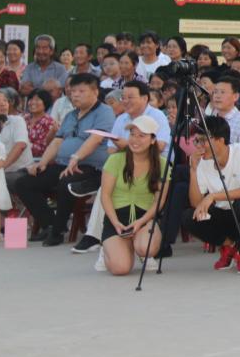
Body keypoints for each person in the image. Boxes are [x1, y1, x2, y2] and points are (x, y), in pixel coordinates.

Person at [73, 79, 172, 255]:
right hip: (125, 164)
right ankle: (95, 235)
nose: (125, 101)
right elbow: (111, 149)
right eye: (123, 97)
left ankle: (138, 233)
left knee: (108, 186)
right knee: (106, 187)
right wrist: (130, 147)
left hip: (154, 166)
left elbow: (160, 146)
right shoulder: (121, 119)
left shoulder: (157, 116)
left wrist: (128, 144)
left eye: (130, 97)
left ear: (145, 98)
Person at [16, 73, 115, 245]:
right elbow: (57, 141)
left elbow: (95, 139)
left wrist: (75, 158)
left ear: (95, 92)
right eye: (73, 91)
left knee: (66, 182)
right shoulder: (71, 115)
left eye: (81, 91)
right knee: (24, 183)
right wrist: (42, 163)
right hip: (64, 164)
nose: (75, 95)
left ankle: (58, 231)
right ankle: (50, 224)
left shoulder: (104, 112)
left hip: (92, 168)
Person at [184, 116, 240, 276]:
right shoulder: (204, 162)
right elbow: (196, 203)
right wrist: (193, 170)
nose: (199, 146)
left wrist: (212, 196)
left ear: (220, 140)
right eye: (196, 141)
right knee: (188, 216)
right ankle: (230, 246)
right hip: (228, 215)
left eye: (203, 141)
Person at [97, 115, 167, 275]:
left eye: (141, 136)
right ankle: (109, 248)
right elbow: (105, 195)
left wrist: (141, 221)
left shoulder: (162, 163)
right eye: (132, 134)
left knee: (145, 248)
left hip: (145, 218)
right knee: (120, 269)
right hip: (117, 218)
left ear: (153, 140)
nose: (135, 140)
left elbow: (159, 201)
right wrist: (115, 222)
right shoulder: (115, 159)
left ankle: (136, 245)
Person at [209, 74, 240, 148]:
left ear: (235, 96)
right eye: (215, 92)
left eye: (222, 92)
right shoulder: (209, 119)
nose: (217, 96)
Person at [24, 89, 57, 159]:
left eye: (37, 100)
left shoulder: (49, 122)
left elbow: (42, 148)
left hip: (38, 160)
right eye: (31, 99)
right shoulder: (24, 118)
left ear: (45, 103)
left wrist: (20, 146)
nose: (33, 102)